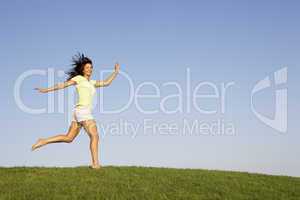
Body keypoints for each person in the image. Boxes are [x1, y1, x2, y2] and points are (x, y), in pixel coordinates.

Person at [31, 53, 120, 169]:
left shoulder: (92, 83)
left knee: (69, 138)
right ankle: (95, 164)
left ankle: (43, 141)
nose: (90, 69)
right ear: (82, 69)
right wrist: (46, 90)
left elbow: (106, 83)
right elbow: (63, 85)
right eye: (87, 67)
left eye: (91, 67)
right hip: (83, 111)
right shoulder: (79, 79)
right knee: (95, 136)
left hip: (78, 112)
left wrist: (115, 72)